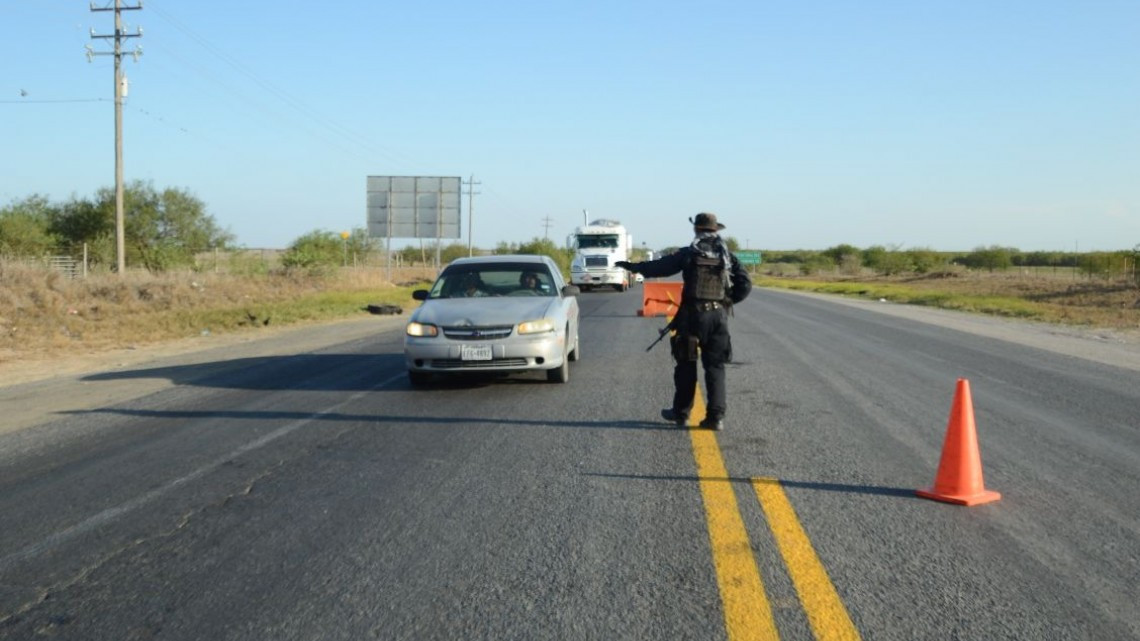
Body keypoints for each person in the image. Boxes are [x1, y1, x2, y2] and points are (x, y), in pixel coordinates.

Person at [616, 213, 752, 430]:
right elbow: (745, 284)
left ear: (696, 229)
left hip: (692, 316)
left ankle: (681, 414)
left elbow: (660, 267)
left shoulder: (689, 253)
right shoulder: (728, 256)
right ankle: (715, 418)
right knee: (715, 367)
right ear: (716, 231)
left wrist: (633, 267)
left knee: (686, 365)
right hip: (717, 317)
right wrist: (725, 301)